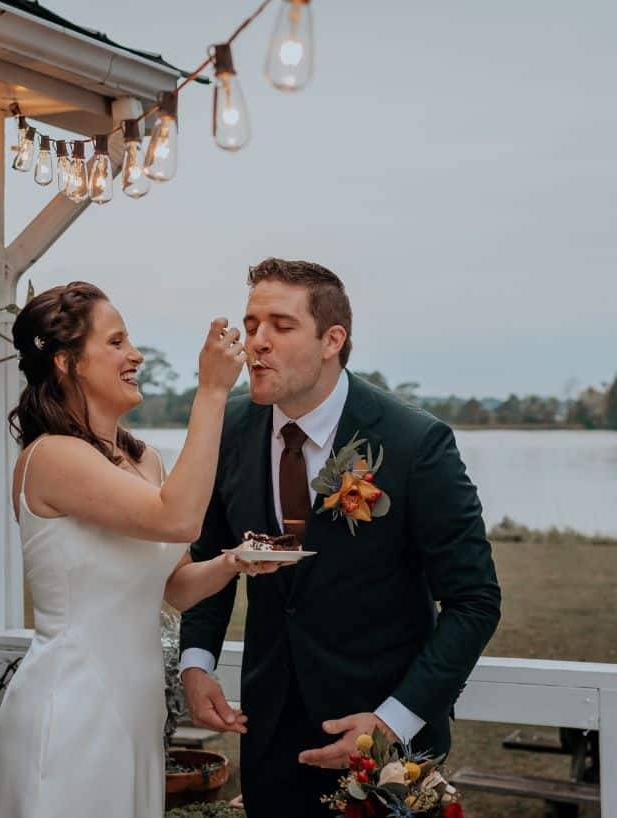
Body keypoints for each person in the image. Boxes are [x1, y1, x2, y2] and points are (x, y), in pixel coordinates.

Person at [179, 258, 503, 818]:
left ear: (333, 340)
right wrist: (196, 661)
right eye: (251, 324)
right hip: (270, 734)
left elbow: (475, 602)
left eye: (280, 326)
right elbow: (211, 553)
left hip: (388, 744)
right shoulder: (229, 427)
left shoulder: (414, 443)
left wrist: (391, 721)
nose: (256, 343)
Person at [0, 281, 277, 817]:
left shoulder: (146, 463)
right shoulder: (51, 457)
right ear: (68, 363)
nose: (135, 355)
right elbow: (180, 517)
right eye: (116, 342)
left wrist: (232, 562)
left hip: (137, 710)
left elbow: (175, 589)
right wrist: (211, 392)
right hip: (72, 705)